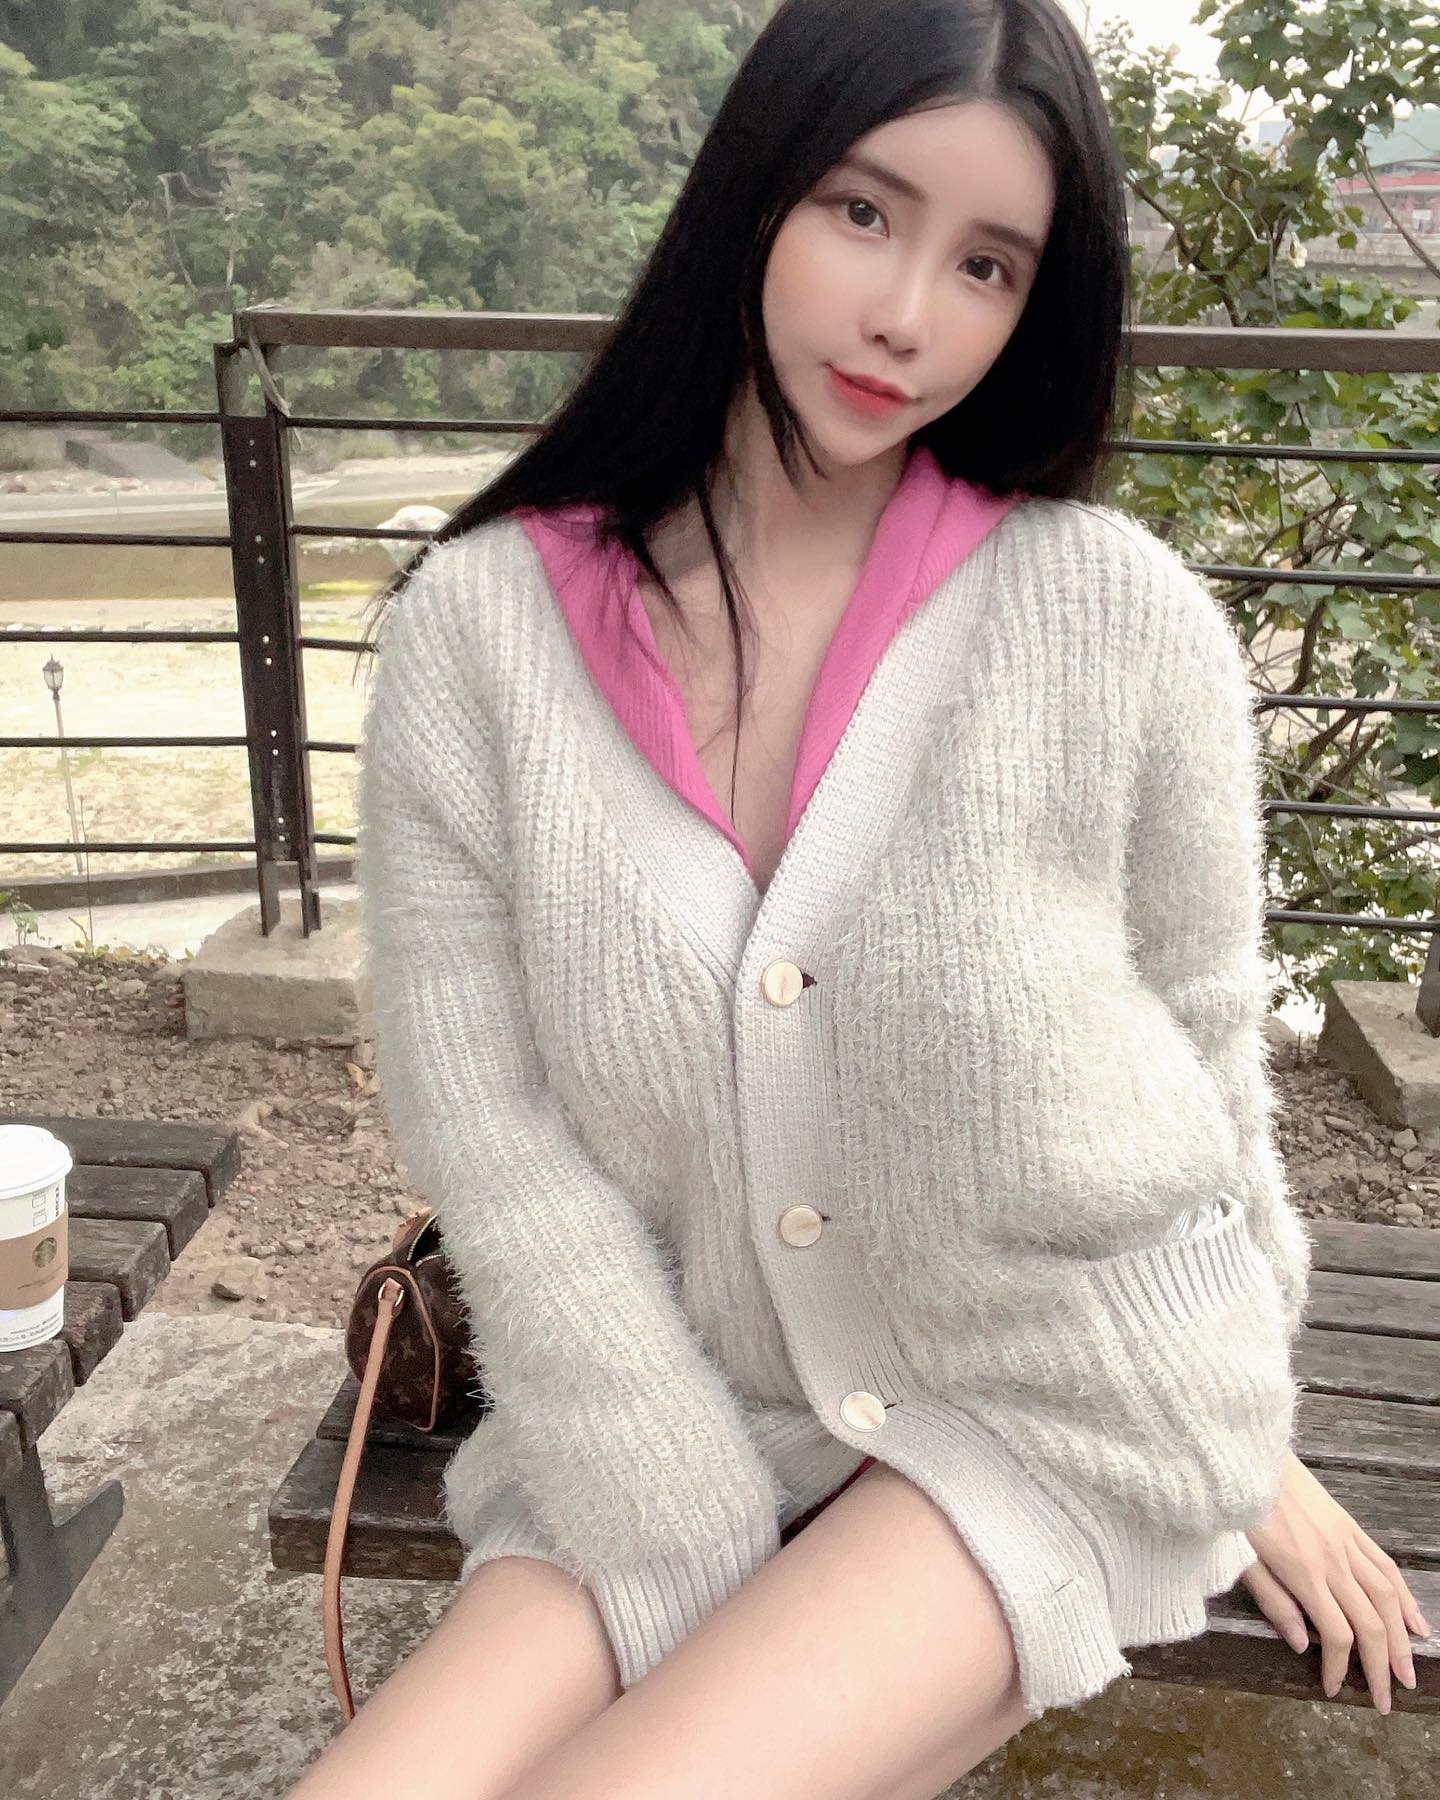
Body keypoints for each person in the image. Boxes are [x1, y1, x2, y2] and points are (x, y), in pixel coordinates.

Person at [286, 1, 1429, 1795]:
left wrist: (1236, 1438)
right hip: (674, 1394)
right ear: (753, 196)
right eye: (863, 211)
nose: (908, 313)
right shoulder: (483, 635)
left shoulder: (1114, 620)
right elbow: (488, 1125)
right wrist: (667, 1502)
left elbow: (1206, 1039)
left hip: (1051, 1394)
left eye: (987, 265)